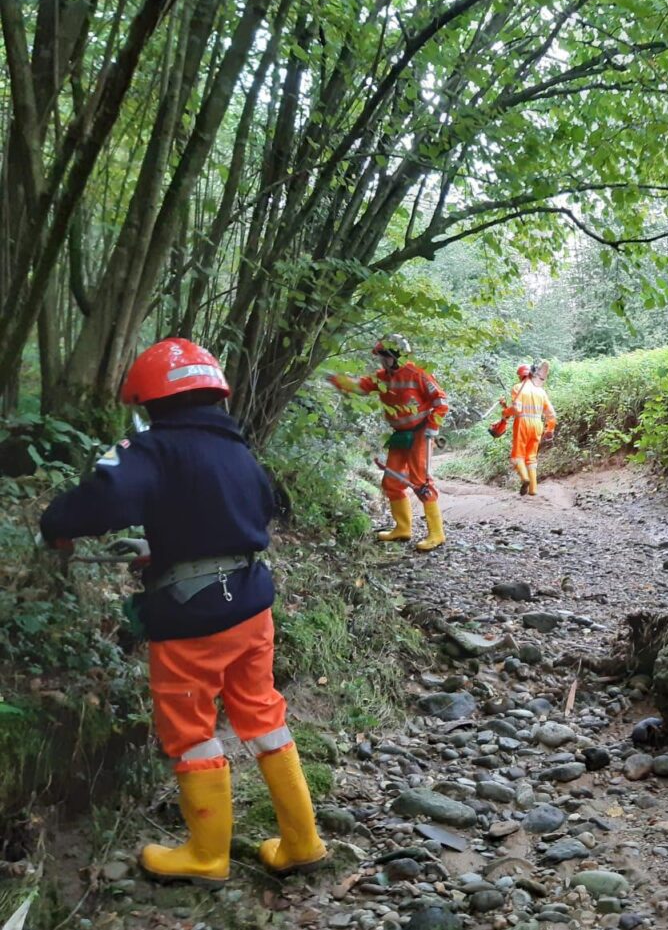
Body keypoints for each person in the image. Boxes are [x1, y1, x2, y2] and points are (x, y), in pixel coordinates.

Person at [39, 338, 326, 883]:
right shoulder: (238, 450)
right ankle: (302, 841)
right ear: (213, 394)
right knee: (263, 714)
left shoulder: (153, 447)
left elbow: (101, 499)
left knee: (189, 727)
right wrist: (162, 547)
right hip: (250, 603)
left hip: (193, 619)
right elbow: (249, 513)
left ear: (150, 400)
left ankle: (206, 854)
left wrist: (56, 526)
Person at [328, 334, 448, 551]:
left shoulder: (417, 374)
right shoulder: (382, 377)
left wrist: (432, 427)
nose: (381, 360)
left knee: (421, 483)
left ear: (397, 355)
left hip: (421, 433)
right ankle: (402, 529)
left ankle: (437, 534)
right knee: (391, 481)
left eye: (385, 356)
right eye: (381, 356)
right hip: (400, 435)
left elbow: (440, 401)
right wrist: (336, 380)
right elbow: (361, 386)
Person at [501, 363, 556, 496]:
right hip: (537, 424)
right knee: (531, 457)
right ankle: (533, 489)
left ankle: (524, 479)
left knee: (517, 455)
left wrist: (505, 411)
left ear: (520, 376)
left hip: (522, 423)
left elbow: (516, 409)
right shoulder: (540, 391)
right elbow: (551, 414)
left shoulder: (518, 388)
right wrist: (550, 429)